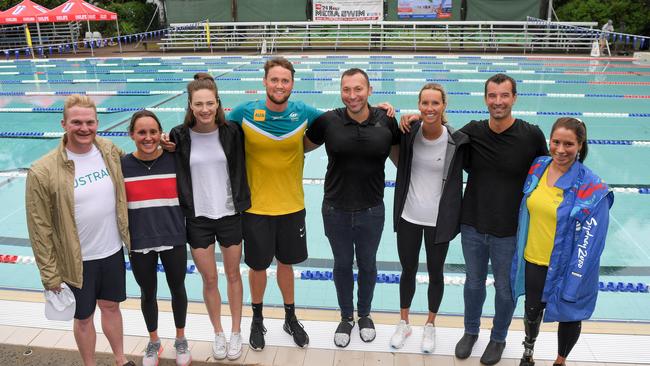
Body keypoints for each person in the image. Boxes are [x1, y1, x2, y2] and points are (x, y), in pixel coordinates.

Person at [400, 73, 548, 364]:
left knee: (505, 289)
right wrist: (414, 116)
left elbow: (547, 172)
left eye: (504, 96)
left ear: (514, 98)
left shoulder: (531, 135)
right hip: (472, 225)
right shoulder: (472, 133)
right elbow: (439, 131)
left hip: (509, 229)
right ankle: (470, 332)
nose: (498, 102)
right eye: (492, 96)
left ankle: (498, 337)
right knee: (473, 283)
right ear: (485, 99)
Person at [26, 94, 134, 366]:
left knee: (111, 307)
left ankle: (120, 360)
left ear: (97, 123)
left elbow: (137, 170)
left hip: (110, 252)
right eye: (76, 122)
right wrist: (50, 275)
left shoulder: (109, 151)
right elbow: (39, 228)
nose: (84, 128)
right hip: (76, 260)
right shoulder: (42, 171)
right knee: (84, 317)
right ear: (64, 123)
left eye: (89, 122)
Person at [227, 57, 323, 350]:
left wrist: (383, 111)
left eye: (285, 81)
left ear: (292, 84)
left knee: (286, 264)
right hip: (256, 208)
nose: (280, 86)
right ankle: (257, 319)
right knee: (257, 267)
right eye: (275, 80)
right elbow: (212, 131)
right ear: (265, 82)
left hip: (292, 205)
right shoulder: (244, 112)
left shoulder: (304, 112)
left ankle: (290, 317)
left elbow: (338, 123)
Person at [303, 68, 400, 348]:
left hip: (372, 209)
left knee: (368, 264)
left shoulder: (386, 121)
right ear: (341, 91)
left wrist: (415, 121)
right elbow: (298, 149)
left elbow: (401, 161)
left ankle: (365, 315)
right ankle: (346, 316)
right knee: (343, 264)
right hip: (336, 209)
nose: (352, 95)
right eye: (347, 89)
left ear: (369, 91)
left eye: (358, 89)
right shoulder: (328, 121)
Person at [512, 117, 613, 366]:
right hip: (534, 258)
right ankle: (528, 352)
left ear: (580, 145)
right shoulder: (539, 166)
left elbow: (593, 241)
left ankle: (560, 360)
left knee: (569, 315)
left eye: (568, 144)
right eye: (556, 142)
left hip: (568, 265)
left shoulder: (592, 187)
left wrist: (577, 274)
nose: (560, 149)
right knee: (532, 310)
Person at [168, 73, 251, 361]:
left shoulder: (232, 133)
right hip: (198, 218)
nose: (204, 109)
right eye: (198, 104)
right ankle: (218, 333)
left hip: (229, 213)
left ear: (218, 104)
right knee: (210, 279)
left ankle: (237, 330)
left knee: (232, 275)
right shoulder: (178, 136)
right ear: (190, 105)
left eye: (210, 103)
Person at [389, 83, 468, 353]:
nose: (430, 108)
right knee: (407, 270)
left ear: (444, 106)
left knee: (436, 273)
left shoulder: (456, 140)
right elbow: (385, 131)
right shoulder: (409, 133)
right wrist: (387, 110)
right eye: (425, 103)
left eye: (435, 103)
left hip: (439, 221)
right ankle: (404, 322)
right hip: (410, 215)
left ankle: (431, 325)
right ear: (418, 105)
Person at [121, 110, 191, 366]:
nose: (148, 137)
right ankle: (154, 341)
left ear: (160, 134)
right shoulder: (123, 165)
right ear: (132, 135)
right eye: (141, 132)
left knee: (177, 289)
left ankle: (181, 339)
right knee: (147, 293)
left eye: (152, 132)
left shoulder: (175, 160)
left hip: (173, 235)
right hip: (140, 240)